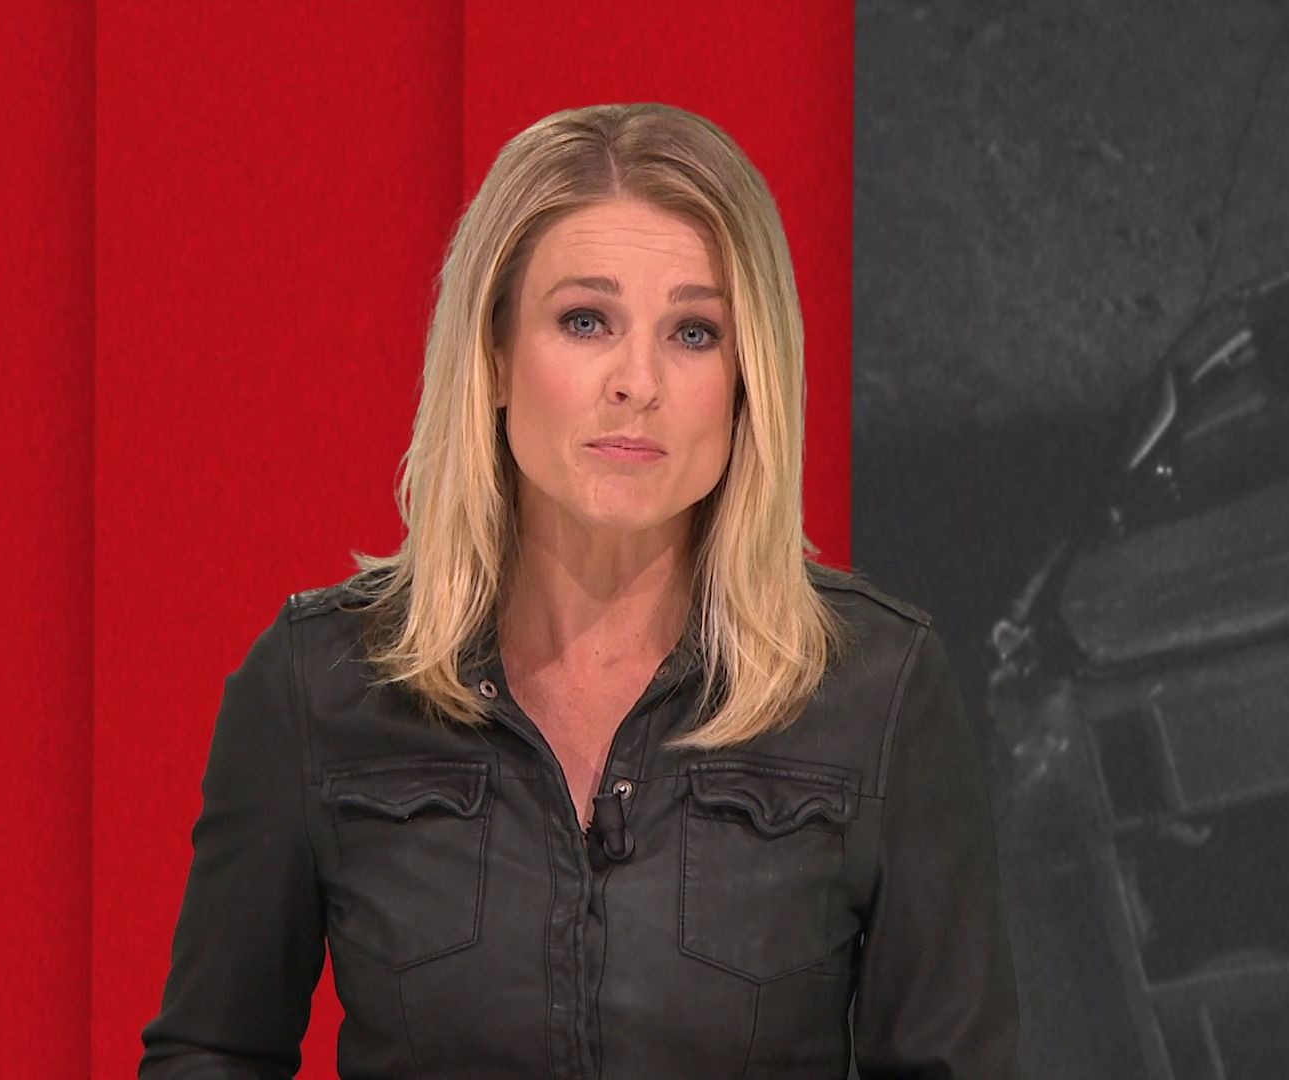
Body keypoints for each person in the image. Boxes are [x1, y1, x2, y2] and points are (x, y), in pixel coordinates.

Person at [138, 102, 1022, 1079]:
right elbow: (211, 1052)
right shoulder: (321, 681)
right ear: (496, 358)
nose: (637, 381)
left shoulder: (877, 689)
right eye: (585, 321)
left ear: (748, 381)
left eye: (694, 332)